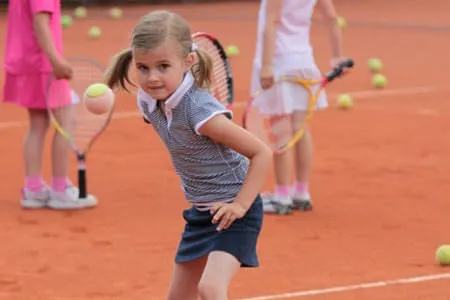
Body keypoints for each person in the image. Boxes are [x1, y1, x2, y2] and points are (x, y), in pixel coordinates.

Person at [105, 10, 272, 300]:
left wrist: (241, 206)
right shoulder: (147, 101)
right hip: (201, 210)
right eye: (143, 67)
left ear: (188, 61)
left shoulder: (202, 114)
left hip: (233, 210)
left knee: (210, 288)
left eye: (163, 66)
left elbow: (262, 152)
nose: (152, 77)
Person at [250, 0, 346, 214]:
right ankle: (301, 192)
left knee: (281, 129)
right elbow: (331, 17)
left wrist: (266, 66)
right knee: (301, 128)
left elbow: (272, 21)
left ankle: (282, 196)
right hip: (303, 60)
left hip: (279, 62)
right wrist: (338, 56)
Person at [2, 0, 97, 209]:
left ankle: (33, 189)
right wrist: (56, 61)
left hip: (26, 63)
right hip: (43, 65)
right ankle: (60, 190)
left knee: (37, 124)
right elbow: (40, 22)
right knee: (67, 121)